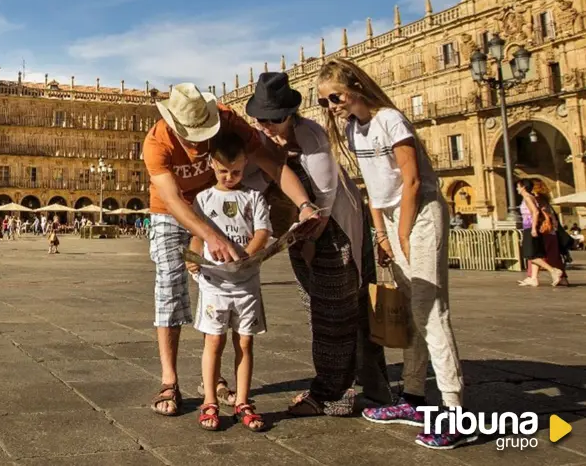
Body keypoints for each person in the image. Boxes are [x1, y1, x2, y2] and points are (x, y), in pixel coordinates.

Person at [316, 58, 469, 450]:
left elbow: (413, 180)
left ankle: (455, 413)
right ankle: (415, 399)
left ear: (355, 87)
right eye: (324, 102)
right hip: (394, 222)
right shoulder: (353, 130)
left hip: (422, 212)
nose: (332, 105)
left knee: (431, 312)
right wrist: (380, 234)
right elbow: (373, 190)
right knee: (411, 313)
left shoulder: (391, 120)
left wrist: (401, 230)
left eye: (335, 96)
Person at [144, 83, 317, 417]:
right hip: (169, 212)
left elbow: (273, 166)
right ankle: (169, 380)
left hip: (214, 205)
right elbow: (172, 199)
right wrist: (211, 237)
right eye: (189, 134)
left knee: (219, 292)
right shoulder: (156, 142)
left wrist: (305, 205)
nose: (195, 142)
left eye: (200, 133)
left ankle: (214, 378)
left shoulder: (228, 120)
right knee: (169, 285)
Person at [246, 72, 391, 417]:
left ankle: (332, 394)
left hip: (332, 230)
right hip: (302, 232)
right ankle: (364, 386)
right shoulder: (268, 138)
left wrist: (310, 243)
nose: (267, 125)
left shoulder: (309, 134)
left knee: (333, 315)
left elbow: (323, 198)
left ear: (290, 114)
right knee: (324, 311)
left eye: (274, 118)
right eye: (261, 119)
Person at [184, 131, 271, 432]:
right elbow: (197, 234)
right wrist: (193, 259)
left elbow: (263, 232)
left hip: (246, 281)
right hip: (214, 283)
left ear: (245, 165)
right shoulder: (204, 199)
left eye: (236, 171)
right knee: (214, 341)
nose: (230, 177)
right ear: (212, 165)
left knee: (244, 342)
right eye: (223, 171)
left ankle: (243, 401)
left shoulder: (254, 197)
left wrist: (245, 254)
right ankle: (210, 399)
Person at [517, 180, 566, 287]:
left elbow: (535, 212)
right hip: (538, 228)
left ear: (523, 187)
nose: (517, 188)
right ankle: (533, 278)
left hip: (531, 227)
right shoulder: (535, 198)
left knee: (530, 254)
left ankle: (553, 271)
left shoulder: (528, 197)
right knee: (536, 254)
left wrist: (534, 228)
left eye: (518, 186)